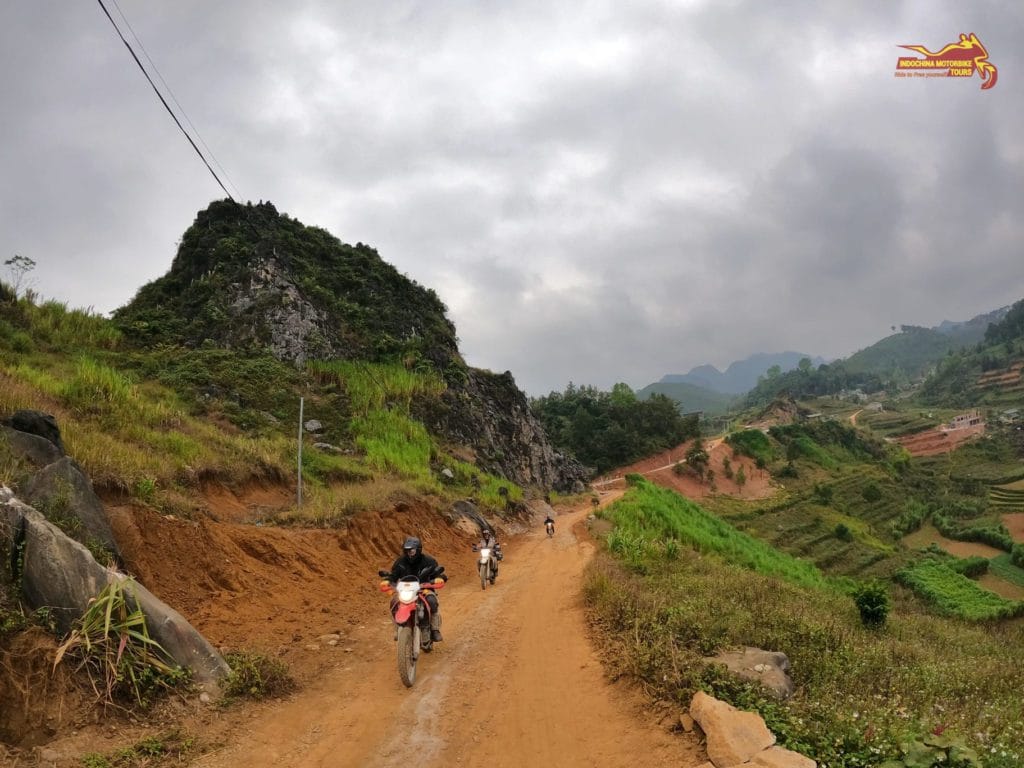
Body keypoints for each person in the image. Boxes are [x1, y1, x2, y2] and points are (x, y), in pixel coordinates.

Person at [389, 536, 446, 642]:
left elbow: (438, 574)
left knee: (432, 601)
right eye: (407, 551)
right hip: (406, 590)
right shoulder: (400, 562)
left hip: (424, 589)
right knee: (394, 602)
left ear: (418, 550)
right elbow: (393, 576)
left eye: (412, 550)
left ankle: (434, 629)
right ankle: (397, 627)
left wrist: (439, 578)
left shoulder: (429, 561)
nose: (409, 553)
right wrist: (388, 581)